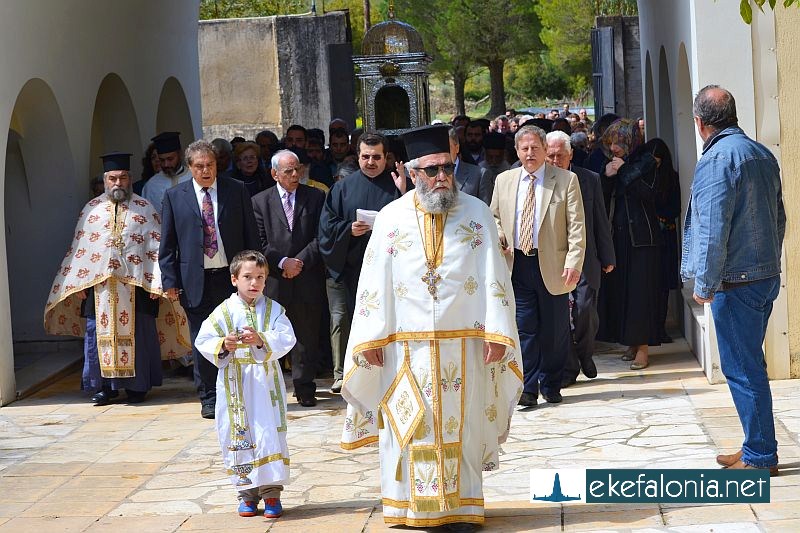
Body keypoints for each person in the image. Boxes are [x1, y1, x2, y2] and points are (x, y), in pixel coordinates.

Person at [340, 125, 522, 531]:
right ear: (412, 172)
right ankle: (412, 509)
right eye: (432, 170)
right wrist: (371, 338)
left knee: (464, 425)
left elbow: (495, 276)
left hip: (466, 345)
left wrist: (497, 332)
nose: (442, 177)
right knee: (410, 424)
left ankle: (462, 508)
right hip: (404, 348)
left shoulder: (477, 213)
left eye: (447, 168)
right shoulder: (391, 218)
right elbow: (374, 282)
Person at [682, 85, 784, 476]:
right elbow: (779, 218)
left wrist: (704, 284)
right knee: (749, 364)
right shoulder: (760, 153)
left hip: (736, 281)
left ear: (700, 123)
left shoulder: (717, 159)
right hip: (762, 275)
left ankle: (760, 455)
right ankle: (755, 446)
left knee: (743, 368)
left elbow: (712, 229)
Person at [45, 152, 190, 405]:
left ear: (130, 179)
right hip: (99, 288)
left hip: (137, 286)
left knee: (140, 335)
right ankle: (104, 388)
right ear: (105, 180)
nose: (118, 183)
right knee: (97, 336)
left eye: (123, 178)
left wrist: (157, 282)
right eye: (113, 178)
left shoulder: (144, 208)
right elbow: (80, 249)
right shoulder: (91, 210)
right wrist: (77, 283)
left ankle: (137, 387)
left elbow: (157, 247)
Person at [159, 140, 261, 419]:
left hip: (231, 278)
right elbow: (167, 244)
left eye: (210, 165)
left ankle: (239, 392)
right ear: (190, 168)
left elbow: (251, 234)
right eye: (200, 166)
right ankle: (209, 396)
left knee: (237, 334)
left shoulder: (236, 190)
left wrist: (255, 274)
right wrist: (170, 281)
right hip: (195, 280)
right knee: (203, 339)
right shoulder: (174, 196)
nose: (206, 171)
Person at [195, 250, 296, 518]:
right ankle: (247, 494)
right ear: (234, 279)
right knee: (238, 434)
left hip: (265, 384)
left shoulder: (274, 310)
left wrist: (262, 339)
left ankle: (271, 493)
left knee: (268, 434)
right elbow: (203, 339)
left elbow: (287, 337)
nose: (254, 283)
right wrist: (223, 344)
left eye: (260, 277)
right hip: (235, 385)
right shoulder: (223, 312)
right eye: (248, 277)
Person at [491, 125, 586, 407]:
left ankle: (552, 383)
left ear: (545, 150)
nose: (530, 153)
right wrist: (500, 237)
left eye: (535, 148)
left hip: (555, 266)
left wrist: (574, 262)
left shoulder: (566, 180)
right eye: (525, 148)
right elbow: (493, 217)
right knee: (525, 327)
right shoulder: (504, 180)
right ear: (517, 151)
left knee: (554, 331)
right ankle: (528, 388)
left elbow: (577, 226)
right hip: (518, 263)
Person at [252, 150, 326, 407]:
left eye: (298, 169)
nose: (295, 174)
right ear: (274, 174)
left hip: (306, 277)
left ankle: (305, 387)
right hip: (275, 279)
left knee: (306, 336)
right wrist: (283, 262)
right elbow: (259, 241)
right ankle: (270, 388)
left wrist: (299, 262)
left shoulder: (315, 197)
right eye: (288, 171)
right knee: (270, 335)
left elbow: (321, 236)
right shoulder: (259, 201)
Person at [544, 132, 615, 387]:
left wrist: (607, 256)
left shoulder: (589, 179)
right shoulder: (540, 182)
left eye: (560, 156)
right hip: (553, 258)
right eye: (550, 156)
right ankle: (570, 365)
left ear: (571, 155)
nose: (555, 161)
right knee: (560, 315)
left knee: (585, 309)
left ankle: (585, 353)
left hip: (585, 256)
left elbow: (600, 219)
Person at [318, 132, 411, 314]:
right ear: (357, 156)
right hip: (354, 269)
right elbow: (326, 228)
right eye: (365, 156)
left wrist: (404, 193)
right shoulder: (341, 188)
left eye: (376, 157)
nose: (370, 162)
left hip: (392, 268)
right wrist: (348, 229)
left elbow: (417, 223)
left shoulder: (400, 185)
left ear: (386, 157)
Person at [599, 119, 662, 370]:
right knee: (623, 291)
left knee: (640, 293)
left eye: (618, 142)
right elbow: (603, 197)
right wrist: (607, 177)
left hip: (642, 239)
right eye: (610, 143)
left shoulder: (647, 161)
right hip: (619, 236)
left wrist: (624, 171)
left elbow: (649, 194)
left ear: (630, 141)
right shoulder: (614, 163)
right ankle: (632, 342)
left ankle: (643, 349)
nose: (613, 148)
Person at [642, 138, 682, 343]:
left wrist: (658, 216)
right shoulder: (643, 177)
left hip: (665, 235)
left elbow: (675, 208)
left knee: (663, 284)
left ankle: (660, 326)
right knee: (649, 285)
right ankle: (650, 328)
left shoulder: (671, 178)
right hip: (649, 236)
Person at [141, 131, 193, 209]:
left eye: (170, 159)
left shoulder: (193, 177)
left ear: (180, 155)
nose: (166, 164)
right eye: (162, 160)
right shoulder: (151, 185)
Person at [448, 127, 492, 205]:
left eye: (447, 147)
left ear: (457, 147)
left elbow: (485, 209)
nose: (442, 152)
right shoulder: (430, 175)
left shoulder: (479, 175)